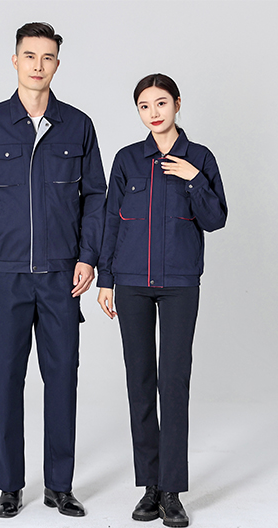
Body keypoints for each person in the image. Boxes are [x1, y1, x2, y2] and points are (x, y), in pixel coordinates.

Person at [0, 22, 106, 518]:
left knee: (63, 380)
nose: (38, 65)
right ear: (15, 61)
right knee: (7, 381)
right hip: (7, 275)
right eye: (30, 56)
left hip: (61, 276)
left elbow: (95, 196)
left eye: (47, 57)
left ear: (57, 64)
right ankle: (10, 485)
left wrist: (88, 256)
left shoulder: (78, 125)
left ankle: (59, 486)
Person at [97, 73, 227, 527]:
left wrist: (193, 179)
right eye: (144, 106)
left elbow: (215, 220)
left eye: (161, 103)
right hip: (131, 283)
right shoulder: (127, 160)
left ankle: (171, 491)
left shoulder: (200, 158)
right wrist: (106, 279)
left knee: (173, 383)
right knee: (139, 382)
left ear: (177, 104)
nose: (153, 112)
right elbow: (111, 221)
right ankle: (149, 486)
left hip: (179, 284)